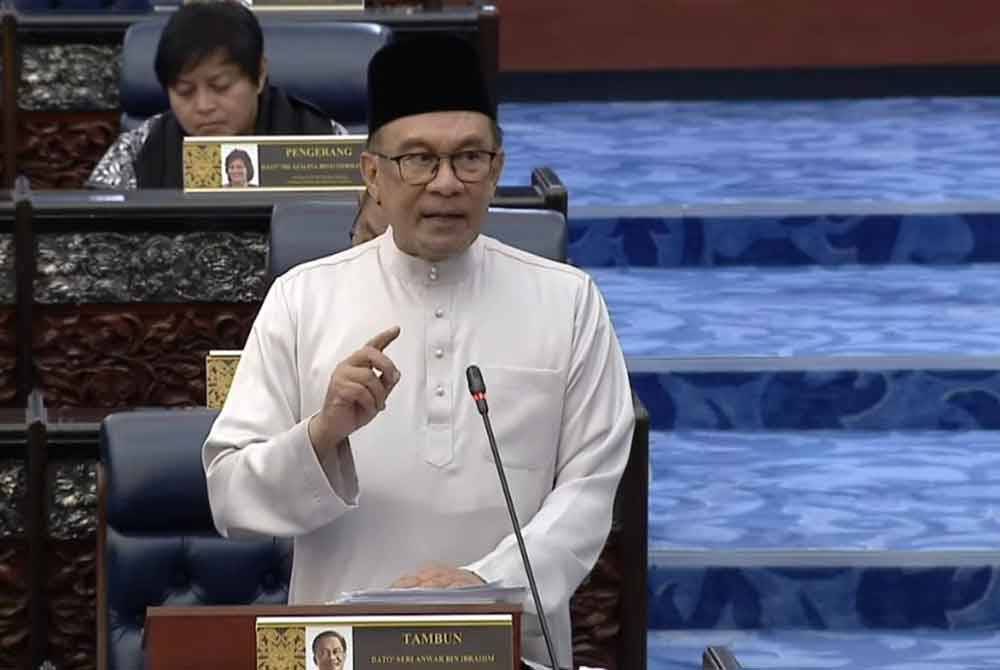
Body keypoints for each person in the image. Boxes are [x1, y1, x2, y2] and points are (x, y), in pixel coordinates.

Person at [202, 35, 634, 668]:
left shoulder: (569, 302)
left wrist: (485, 584)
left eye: (469, 158)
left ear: (498, 165)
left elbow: (591, 488)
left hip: (509, 646)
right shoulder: (303, 300)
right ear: (372, 173)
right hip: (340, 655)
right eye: (418, 160)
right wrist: (321, 436)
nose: (447, 183)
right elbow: (230, 494)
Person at [87, 1, 345, 190]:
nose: (203, 106)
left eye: (220, 86)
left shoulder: (324, 139)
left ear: (259, 74)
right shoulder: (139, 148)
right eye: (184, 91)